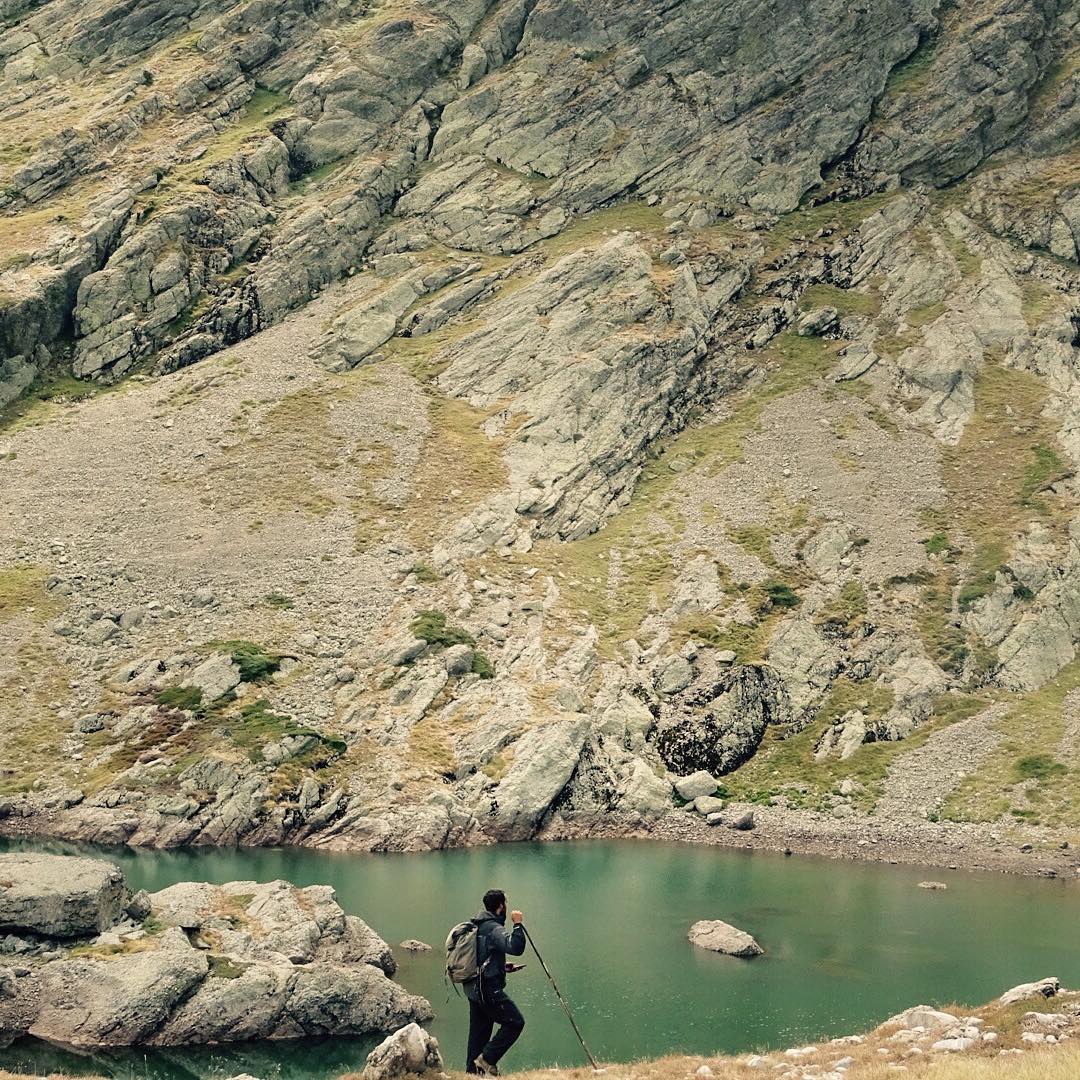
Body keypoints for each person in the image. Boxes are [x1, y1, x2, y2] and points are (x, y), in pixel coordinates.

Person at [464, 888, 527, 1076]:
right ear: (500, 906)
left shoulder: (476, 925)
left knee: (479, 1033)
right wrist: (518, 925)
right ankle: (487, 1059)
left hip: (473, 988)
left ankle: (472, 1073)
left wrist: (501, 966)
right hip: (488, 989)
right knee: (515, 1022)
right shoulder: (493, 928)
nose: (506, 907)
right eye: (505, 904)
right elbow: (515, 947)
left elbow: (481, 955)